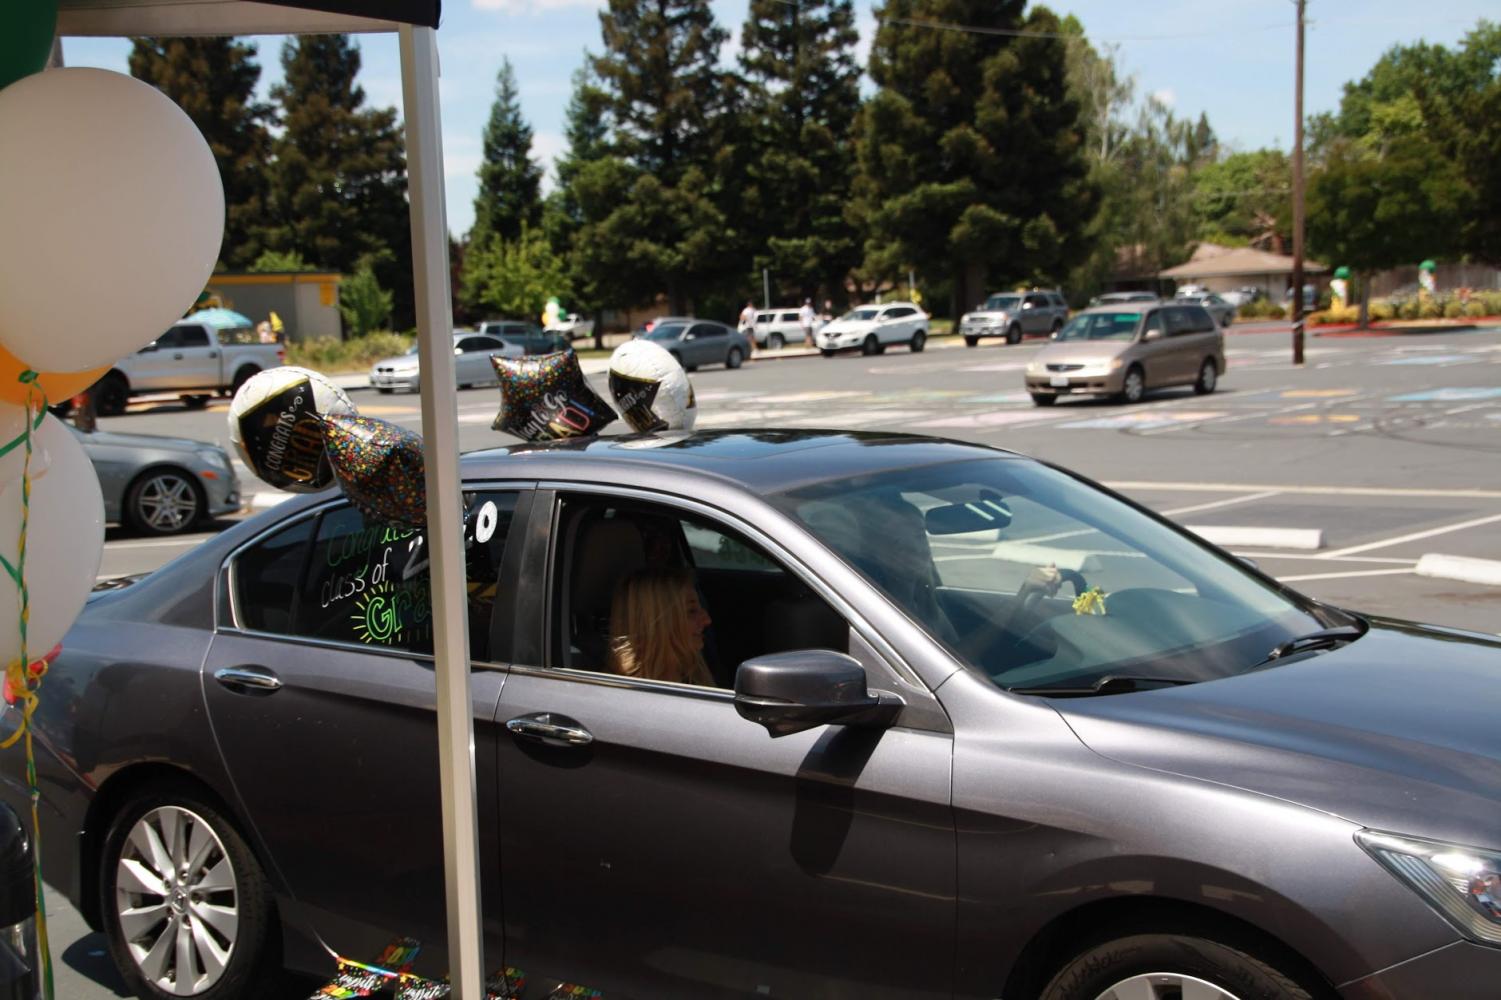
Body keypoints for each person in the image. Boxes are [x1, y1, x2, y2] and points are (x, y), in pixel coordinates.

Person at [608, 567, 715, 686]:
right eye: (691, 611)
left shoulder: (695, 673)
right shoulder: (625, 693)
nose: (707, 620)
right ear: (656, 622)